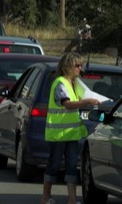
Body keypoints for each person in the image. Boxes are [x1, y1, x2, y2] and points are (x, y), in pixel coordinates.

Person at [41, 52, 99, 204]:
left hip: (71, 134)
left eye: (81, 65)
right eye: (77, 66)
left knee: (72, 167)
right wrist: (86, 102)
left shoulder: (73, 84)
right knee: (53, 165)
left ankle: (72, 200)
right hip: (58, 134)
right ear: (68, 66)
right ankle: (45, 197)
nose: (80, 69)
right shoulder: (60, 83)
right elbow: (67, 105)